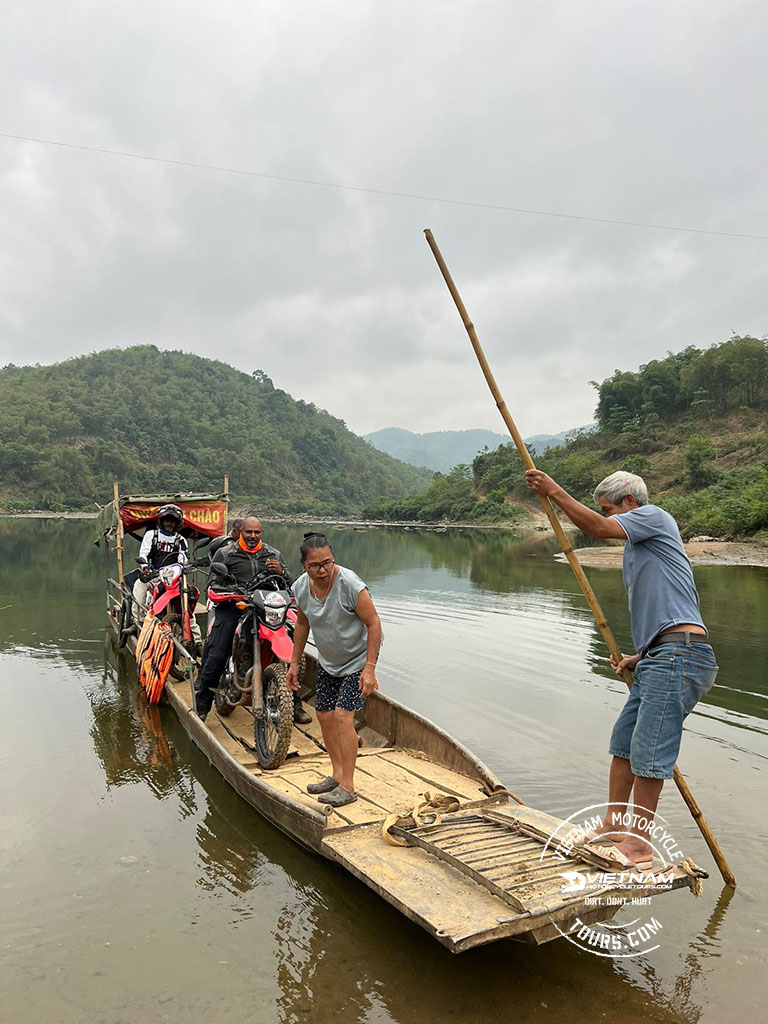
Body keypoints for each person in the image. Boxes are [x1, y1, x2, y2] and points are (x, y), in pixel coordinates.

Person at [525, 468, 718, 869]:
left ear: (630, 502)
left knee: (650, 752)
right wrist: (640, 655)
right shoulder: (637, 543)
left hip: (682, 655)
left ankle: (639, 846)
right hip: (661, 655)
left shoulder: (654, 517)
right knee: (623, 744)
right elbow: (662, 606)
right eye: (606, 511)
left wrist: (553, 490)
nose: (608, 516)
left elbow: (595, 528)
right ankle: (615, 825)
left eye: (611, 509)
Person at [286, 532, 383, 808]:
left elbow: (374, 624)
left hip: (357, 659)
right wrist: (294, 663)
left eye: (327, 562)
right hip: (329, 660)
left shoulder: (351, 585)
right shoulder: (301, 588)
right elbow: (302, 624)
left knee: (342, 716)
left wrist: (369, 669)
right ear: (304, 566)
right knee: (324, 715)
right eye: (315, 565)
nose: (323, 570)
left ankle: (348, 786)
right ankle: (337, 775)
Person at [195, 515, 310, 724]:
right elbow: (212, 584)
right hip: (234, 607)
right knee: (217, 652)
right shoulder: (226, 554)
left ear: (261, 533)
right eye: (249, 532)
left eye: (257, 532)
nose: (253, 536)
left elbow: (288, 585)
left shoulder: (272, 553)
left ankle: (295, 704)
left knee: (291, 651)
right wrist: (227, 590)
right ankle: (202, 704)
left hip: (265, 608)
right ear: (241, 532)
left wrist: (282, 572)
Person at [131, 503, 203, 648]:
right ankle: (137, 623)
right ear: (161, 521)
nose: (169, 524)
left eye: (173, 521)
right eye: (167, 520)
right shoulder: (151, 535)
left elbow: (183, 558)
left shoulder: (181, 540)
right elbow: (143, 554)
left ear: (178, 523)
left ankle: (198, 640)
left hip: (173, 577)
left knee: (186, 602)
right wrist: (145, 567)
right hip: (154, 575)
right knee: (139, 589)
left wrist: (187, 566)